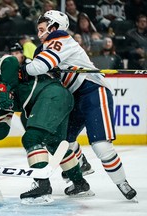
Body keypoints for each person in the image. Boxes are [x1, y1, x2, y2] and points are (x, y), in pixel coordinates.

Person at [21, 9, 137, 201]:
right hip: (74, 97)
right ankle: (81, 165)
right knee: (64, 140)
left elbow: (38, 67)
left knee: (100, 145)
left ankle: (122, 183)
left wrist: (23, 68)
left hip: (93, 91)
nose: (38, 33)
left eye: (42, 28)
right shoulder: (46, 47)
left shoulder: (61, 39)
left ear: (54, 26)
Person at [0, 53, 93, 204]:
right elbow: (1, 129)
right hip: (60, 98)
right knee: (54, 143)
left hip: (50, 94)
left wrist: (5, 88)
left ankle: (42, 185)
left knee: (31, 138)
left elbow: (10, 61)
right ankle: (80, 184)